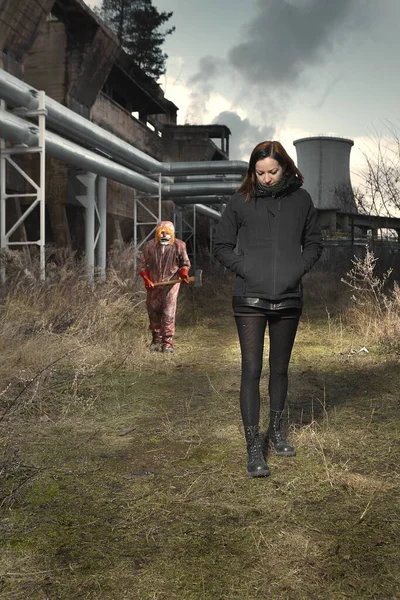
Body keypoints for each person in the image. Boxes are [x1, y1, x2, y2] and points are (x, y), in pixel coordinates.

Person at [213, 140, 323, 478]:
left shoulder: (302, 200)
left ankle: (276, 432)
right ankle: (253, 448)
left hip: (289, 297)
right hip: (249, 298)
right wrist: (248, 269)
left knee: (279, 369)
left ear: (285, 168)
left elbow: (315, 243)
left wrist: (295, 269)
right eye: (259, 172)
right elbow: (221, 246)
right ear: (252, 172)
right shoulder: (240, 201)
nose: (266, 178)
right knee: (251, 369)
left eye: (272, 171)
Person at [138, 220, 191, 353]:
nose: (163, 234)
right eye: (160, 232)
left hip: (171, 285)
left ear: (172, 234)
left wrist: (184, 273)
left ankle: (167, 342)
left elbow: (185, 263)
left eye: (166, 232)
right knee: (153, 310)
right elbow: (142, 265)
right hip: (153, 284)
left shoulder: (179, 245)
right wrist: (146, 279)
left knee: (168, 311)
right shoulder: (149, 246)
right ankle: (156, 339)